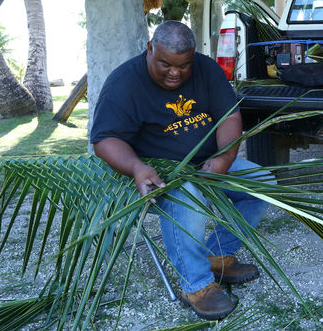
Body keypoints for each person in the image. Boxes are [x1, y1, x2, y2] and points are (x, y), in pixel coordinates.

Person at [90, 21, 269, 320]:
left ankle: (214, 256)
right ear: (149, 48)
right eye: (165, 64)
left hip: (209, 165)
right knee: (188, 193)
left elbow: (230, 116)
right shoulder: (124, 83)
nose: (175, 73)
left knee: (260, 182)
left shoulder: (206, 69)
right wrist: (136, 167)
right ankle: (195, 284)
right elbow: (104, 139)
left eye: (184, 65)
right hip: (157, 175)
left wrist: (224, 158)